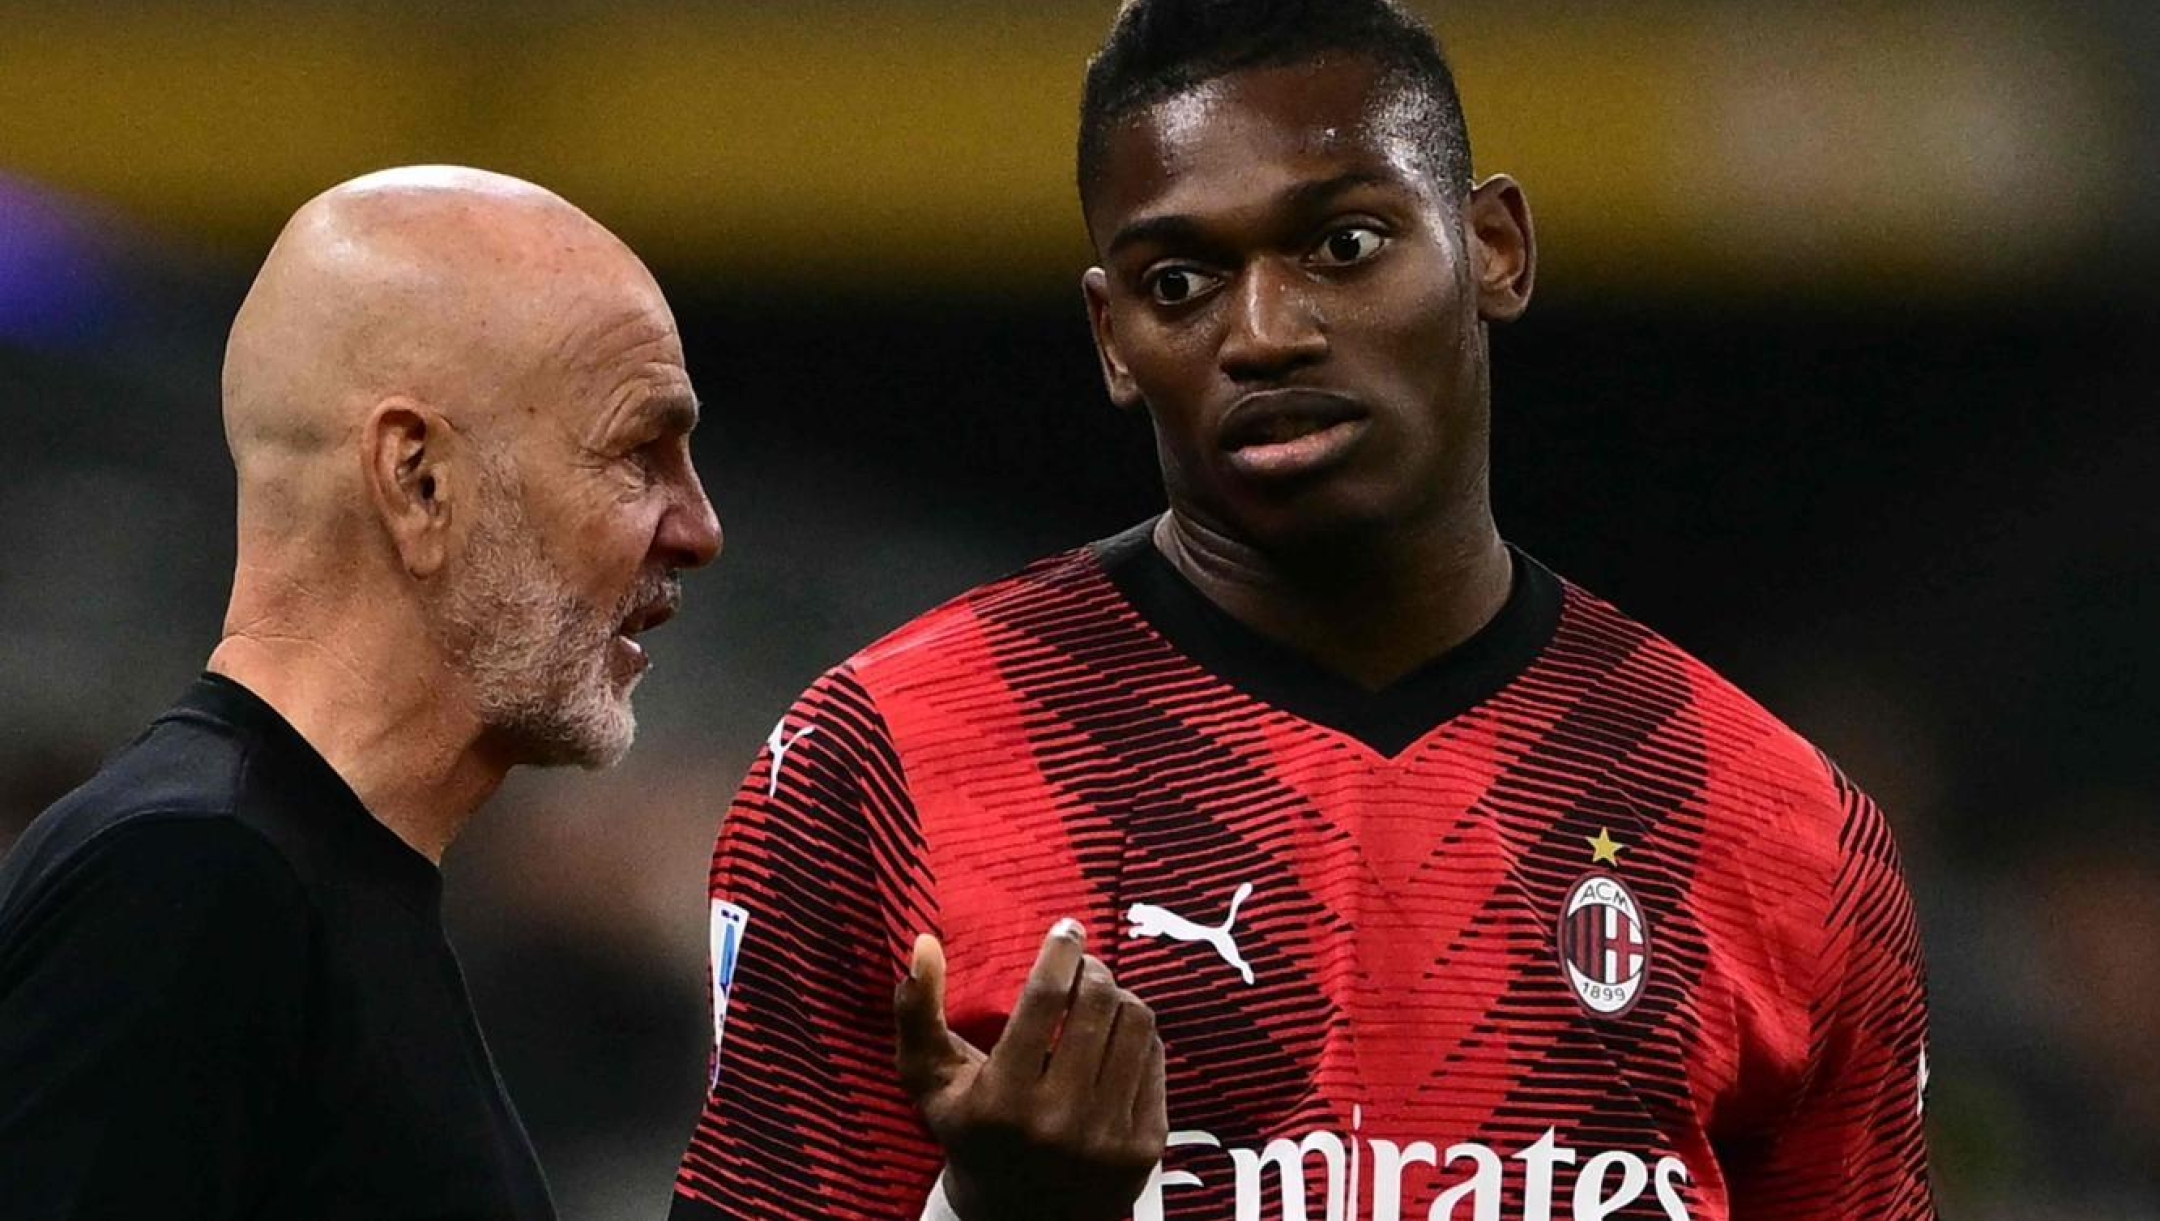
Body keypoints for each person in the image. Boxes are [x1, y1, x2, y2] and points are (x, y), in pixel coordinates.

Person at [669, 1, 1934, 1218]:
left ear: (1494, 248)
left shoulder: (1781, 830)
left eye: (1343, 246)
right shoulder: (879, 767)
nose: (1263, 333)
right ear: (1112, 340)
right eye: (1179, 283)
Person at [0, 165, 722, 1220]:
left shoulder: (317, 883)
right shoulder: (193, 879)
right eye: (636, 454)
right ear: (417, 477)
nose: (699, 530)